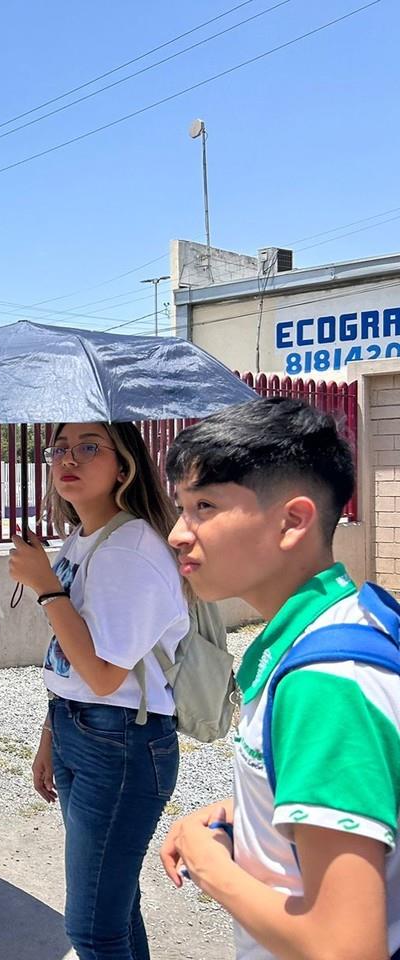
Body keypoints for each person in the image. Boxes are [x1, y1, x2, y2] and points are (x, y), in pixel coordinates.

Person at [159, 399, 392, 960]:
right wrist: (244, 810)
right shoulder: (347, 619)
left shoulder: (325, 681)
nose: (176, 535)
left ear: (293, 521)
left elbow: (346, 949)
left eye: (204, 506)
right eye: (181, 507)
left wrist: (208, 861)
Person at [10, 422, 188, 960]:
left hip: (121, 743)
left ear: (124, 464)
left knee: (92, 928)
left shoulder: (130, 547)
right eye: (60, 448)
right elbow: (69, 655)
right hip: (82, 728)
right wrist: (50, 734)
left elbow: (105, 673)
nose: (70, 458)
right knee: (114, 909)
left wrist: (45, 585)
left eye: (89, 447)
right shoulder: (84, 537)